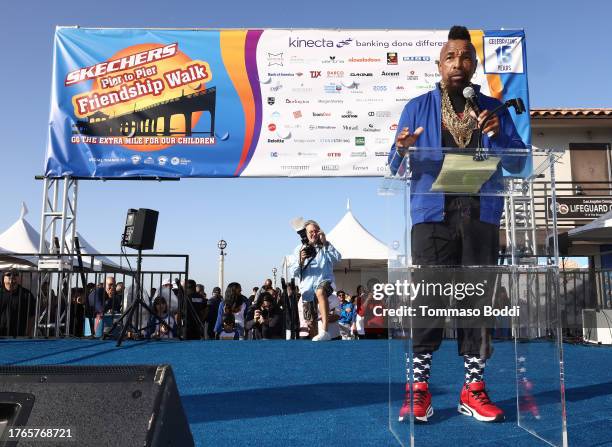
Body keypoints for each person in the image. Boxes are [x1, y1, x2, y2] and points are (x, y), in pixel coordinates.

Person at [388, 26, 526, 423]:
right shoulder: (417, 106)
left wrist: (499, 137)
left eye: (466, 58)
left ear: (475, 65)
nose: (458, 65)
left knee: (477, 303)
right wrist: (401, 150)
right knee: (427, 300)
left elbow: (517, 162)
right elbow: (393, 166)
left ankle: (474, 389)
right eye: (451, 57)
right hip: (432, 216)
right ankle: (419, 391)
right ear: (439, 64)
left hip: (481, 214)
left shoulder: (492, 107)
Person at [288, 220, 341, 341]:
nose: (314, 234)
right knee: (310, 323)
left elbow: (338, 259)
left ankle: (325, 330)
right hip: (307, 291)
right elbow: (294, 272)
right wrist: (300, 260)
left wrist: (326, 243)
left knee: (320, 291)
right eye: (311, 231)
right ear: (305, 234)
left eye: (316, 231)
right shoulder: (299, 249)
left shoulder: (325, 246)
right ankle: (317, 344)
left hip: (325, 282)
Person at [0, 269, 36, 337]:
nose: (12, 276)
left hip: (18, 336)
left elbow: (32, 316)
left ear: (19, 278)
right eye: (8, 274)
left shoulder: (26, 294)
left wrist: (27, 333)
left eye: (15, 274)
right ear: (3, 278)